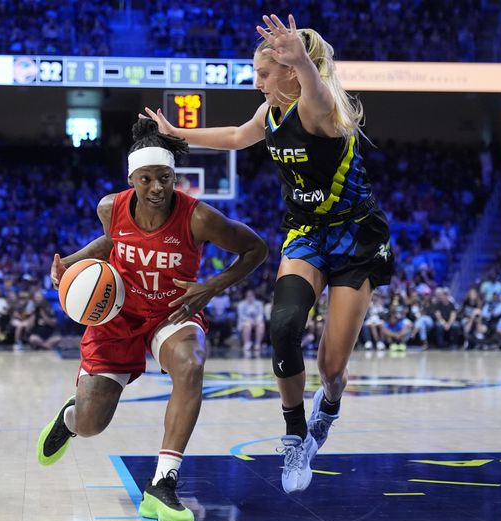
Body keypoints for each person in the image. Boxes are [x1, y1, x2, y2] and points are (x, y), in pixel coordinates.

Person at [142, 13, 394, 494]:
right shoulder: (269, 113)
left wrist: (300, 60)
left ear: (291, 73)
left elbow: (316, 92)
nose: (257, 84)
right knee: (282, 327)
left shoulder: (321, 108)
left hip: (355, 238)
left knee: (332, 367)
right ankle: (295, 433)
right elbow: (238, 137)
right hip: (306, 234)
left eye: (263, 74)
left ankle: (331, 403)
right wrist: (175, 133)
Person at [36, 118, 268, 521]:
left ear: (175, 176)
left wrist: (211, 286)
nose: (157, 188)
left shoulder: (199, 218)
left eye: (165, 178)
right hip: (119, 313)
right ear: (133, 180)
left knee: (191, 364)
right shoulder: (111, 207)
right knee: (92, 425)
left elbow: (256, 249)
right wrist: (74, 260)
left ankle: (162, 484)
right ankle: (72, 418)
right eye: (147, 180)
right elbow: (113, 241)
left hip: (172, 312)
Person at [236, 288, 266, 353]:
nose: (250, 297)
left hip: (256, 322)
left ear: (254, 296)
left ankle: (257, 344)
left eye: (251, 295)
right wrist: (250, 320)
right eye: (248, 296)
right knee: (247, 325)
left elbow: (260, 314)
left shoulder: (259, 304)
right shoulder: (241, 304)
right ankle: (247, 344)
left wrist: (257, 321)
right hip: (244, 322)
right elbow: (241, 316)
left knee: (261, 325)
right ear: (246, 296)